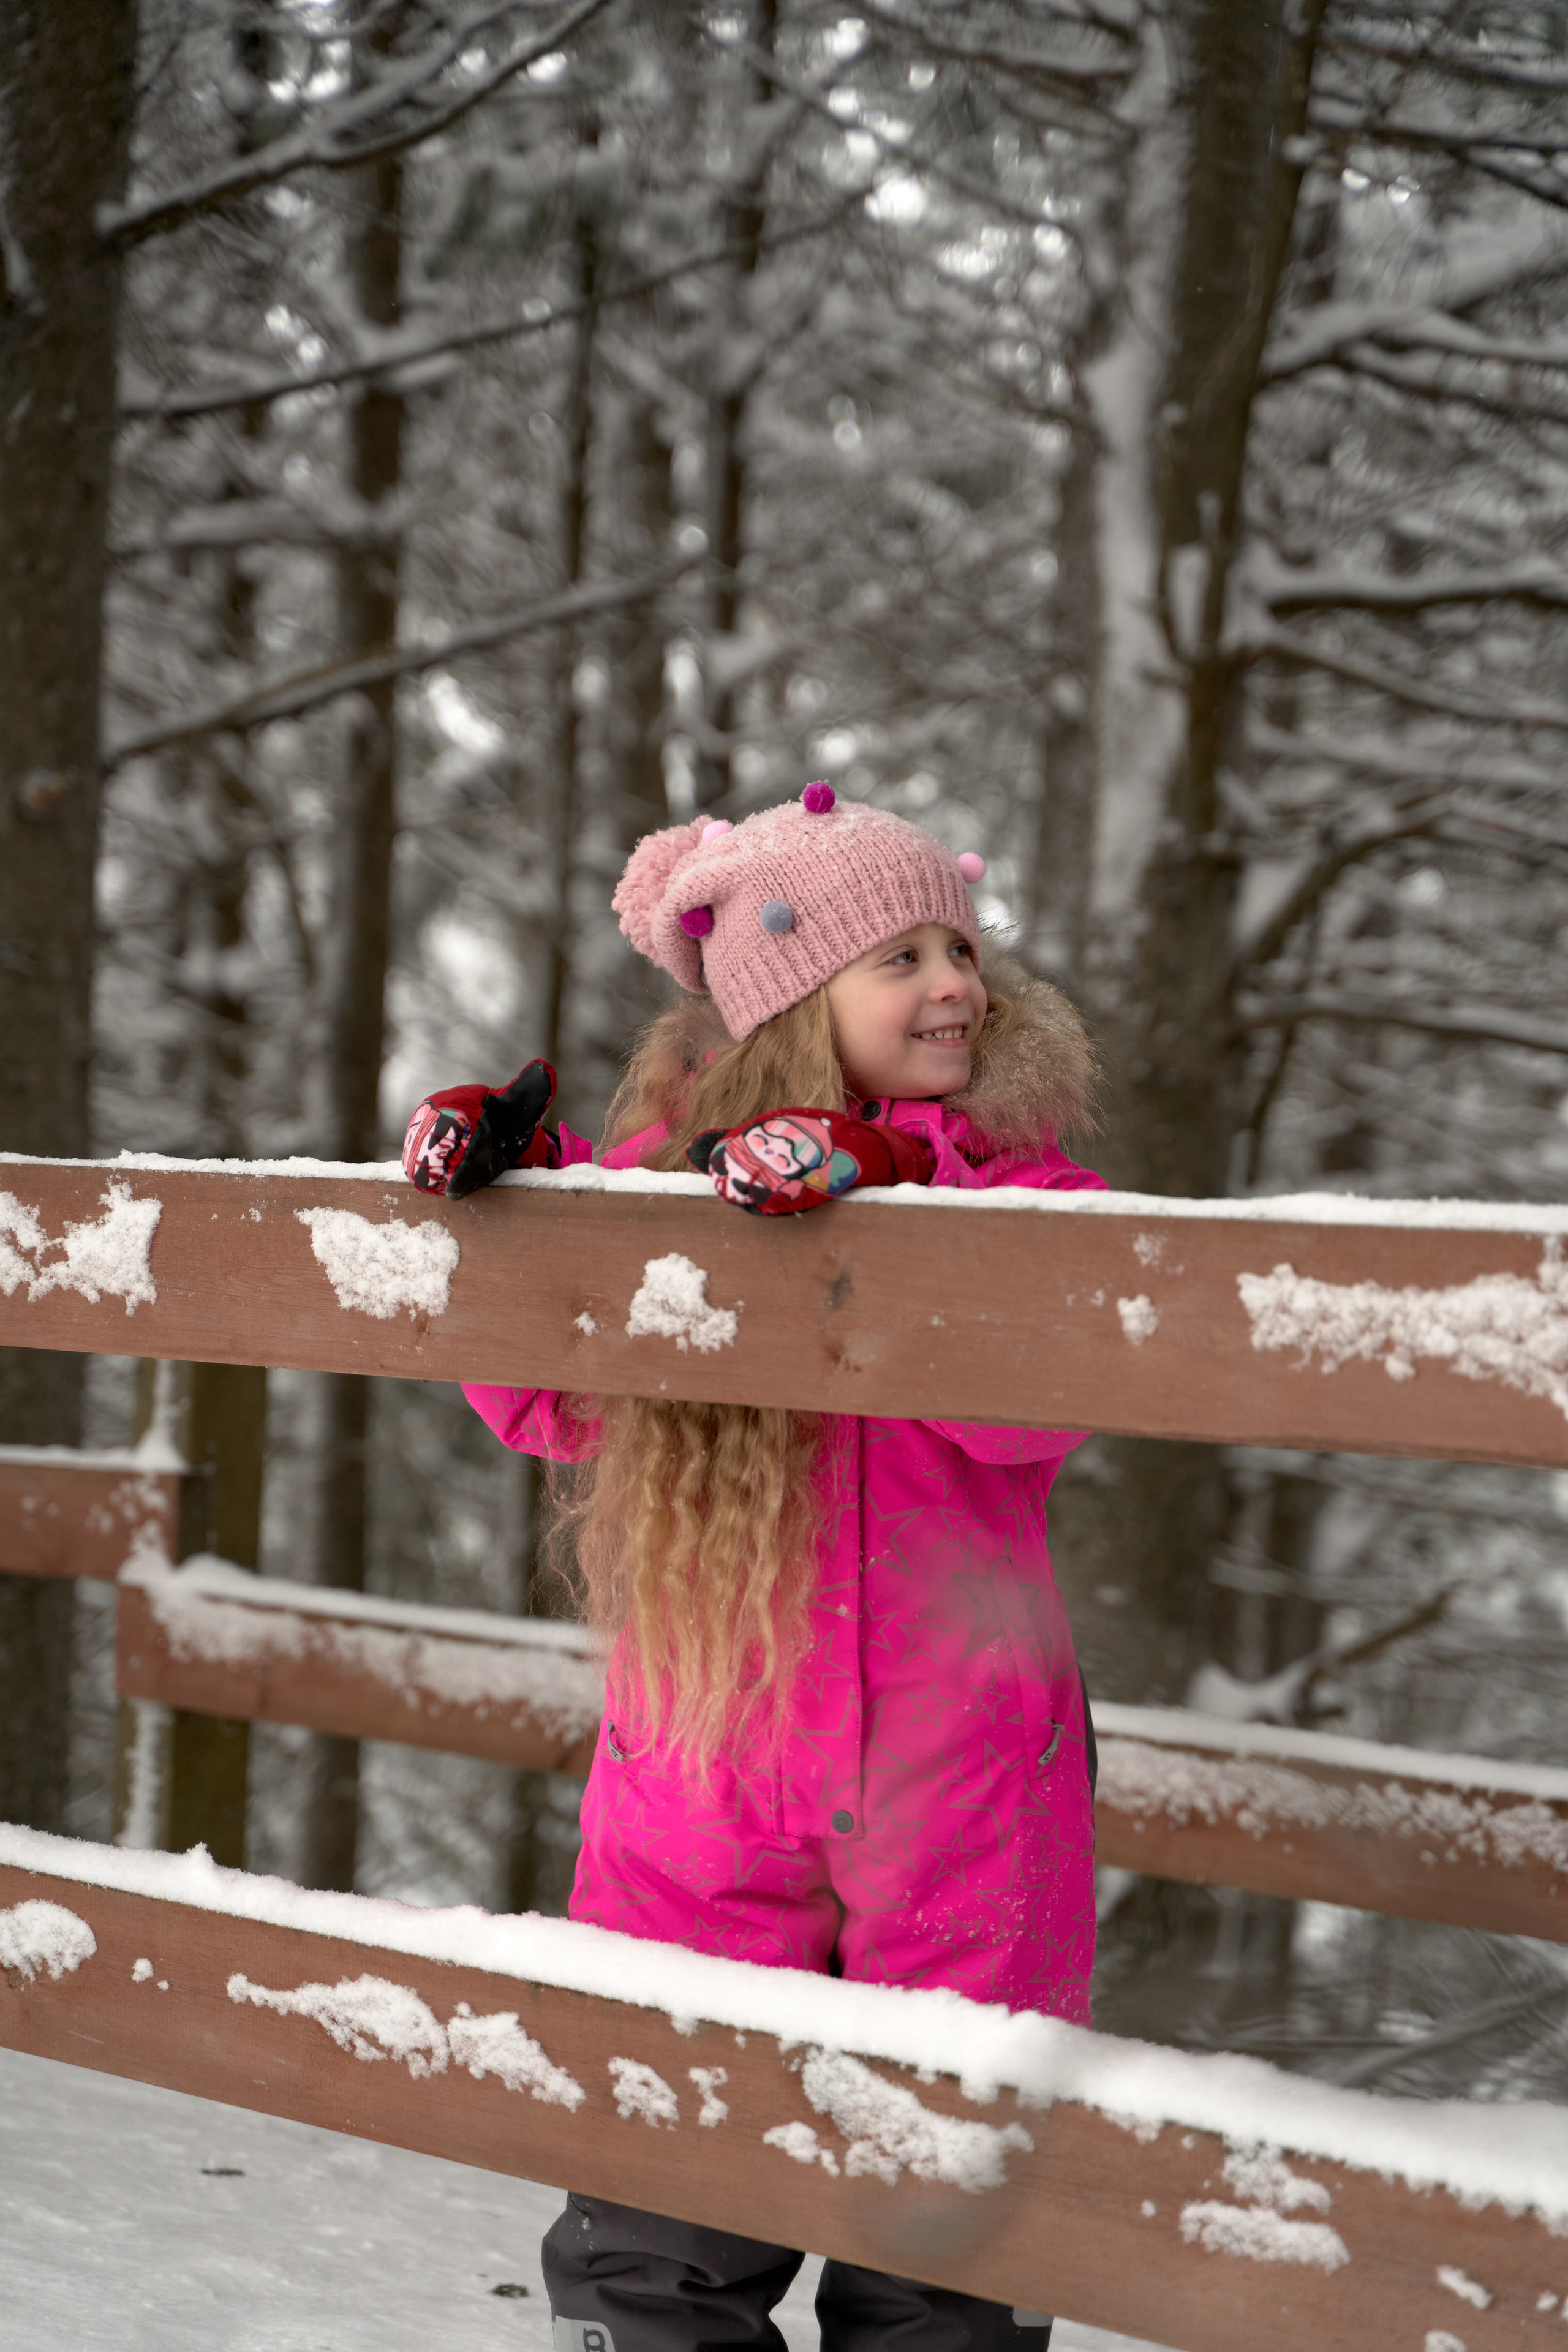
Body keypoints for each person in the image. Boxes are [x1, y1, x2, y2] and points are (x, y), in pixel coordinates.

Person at [403, 783, 1105, 2352]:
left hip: (961, 1786)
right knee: (659, 2240)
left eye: (956, 946)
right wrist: (510, 1217)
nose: (951, 986)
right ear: (789, 1004)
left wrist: (895, 1198)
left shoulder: (1031, 1184)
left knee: (938, 2271)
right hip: (704, 1776)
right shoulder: (671, 1186)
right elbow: (545, 1402)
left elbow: (1024, 1411)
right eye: (897, 958)